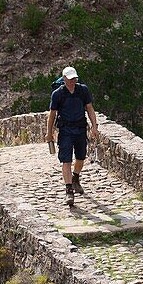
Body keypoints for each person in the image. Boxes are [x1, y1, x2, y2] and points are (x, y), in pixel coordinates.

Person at [46, 66, 98, 205]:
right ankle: (69, 190)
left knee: (81, 158)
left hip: (80, 128)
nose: (72, 81)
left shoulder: (83, 90)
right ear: (64, 79)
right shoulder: (58, 94)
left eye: (74, 78)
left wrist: (94, 127)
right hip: (65, 130)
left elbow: (90, 108)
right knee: (66, 160)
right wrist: (49, 133)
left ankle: (75, 178)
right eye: (70, 79)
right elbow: (52, 114)